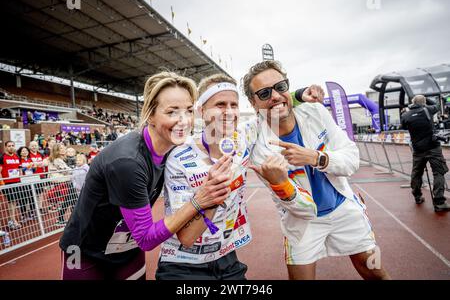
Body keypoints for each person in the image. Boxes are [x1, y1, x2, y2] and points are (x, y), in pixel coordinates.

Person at [59, 72, 231, 280]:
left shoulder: (172, 149)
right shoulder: (127, 162)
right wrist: (199, 201)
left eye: (188, 111)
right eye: (172, 112)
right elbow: (147, 239)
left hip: (127, 250)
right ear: (150, 115)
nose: (184, 121)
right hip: (84, 251)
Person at [156, 74, 324, 280]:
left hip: (227, 259)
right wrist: (212, 196)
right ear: (201, 111)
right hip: (183, 264)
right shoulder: (180, 157)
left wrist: (298, 95)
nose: (229, 112)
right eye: (220, 105)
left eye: (233, 105)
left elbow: (270, 110)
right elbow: (187, 238)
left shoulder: (242, 138)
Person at [243, 60, 390, 280]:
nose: (274, 96)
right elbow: (301, 209)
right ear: (253, 103)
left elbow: (351, 159)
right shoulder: (261, 149)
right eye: (264, 93)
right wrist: (281, 184)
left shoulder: (315, 111)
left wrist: (316, 157)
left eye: (280, 87)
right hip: (301, 223)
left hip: (345, 210)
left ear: (288, 88)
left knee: (374, 271)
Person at [400, 95, 450, 212]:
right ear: (424, 103)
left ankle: (417, 196)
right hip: (433, 147)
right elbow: (437, 105)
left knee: (416, 173)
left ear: (412, 102)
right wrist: (426, 99)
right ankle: (439, 202)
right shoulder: (427, 109)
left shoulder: (405, 115)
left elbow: (403, 126)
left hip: (418, 149)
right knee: (438, 172)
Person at [0, 141, 22, 229]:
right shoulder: (2, 157)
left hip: (17, 182)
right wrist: (2, 184)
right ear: (5, 147)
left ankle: (11, 219)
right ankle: (13, 220)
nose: (11, 147)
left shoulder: (16, 156)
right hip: (8, 183)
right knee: (11, 201)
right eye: (9, 146)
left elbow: (19, 169)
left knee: (15, 201)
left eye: (13, 145)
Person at [17, 146, 37, 222]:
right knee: (23, 198)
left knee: (32, 197)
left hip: (31, 180)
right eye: (23, 151)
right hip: (22, 181)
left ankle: (32, 213)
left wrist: (34, 167)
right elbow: (19, 170)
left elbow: (34, 170)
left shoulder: (30, 159)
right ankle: (23, 215)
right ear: (20, 152)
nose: (24, 152)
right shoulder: (19, 160)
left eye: (26, 151)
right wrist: (26, 167)